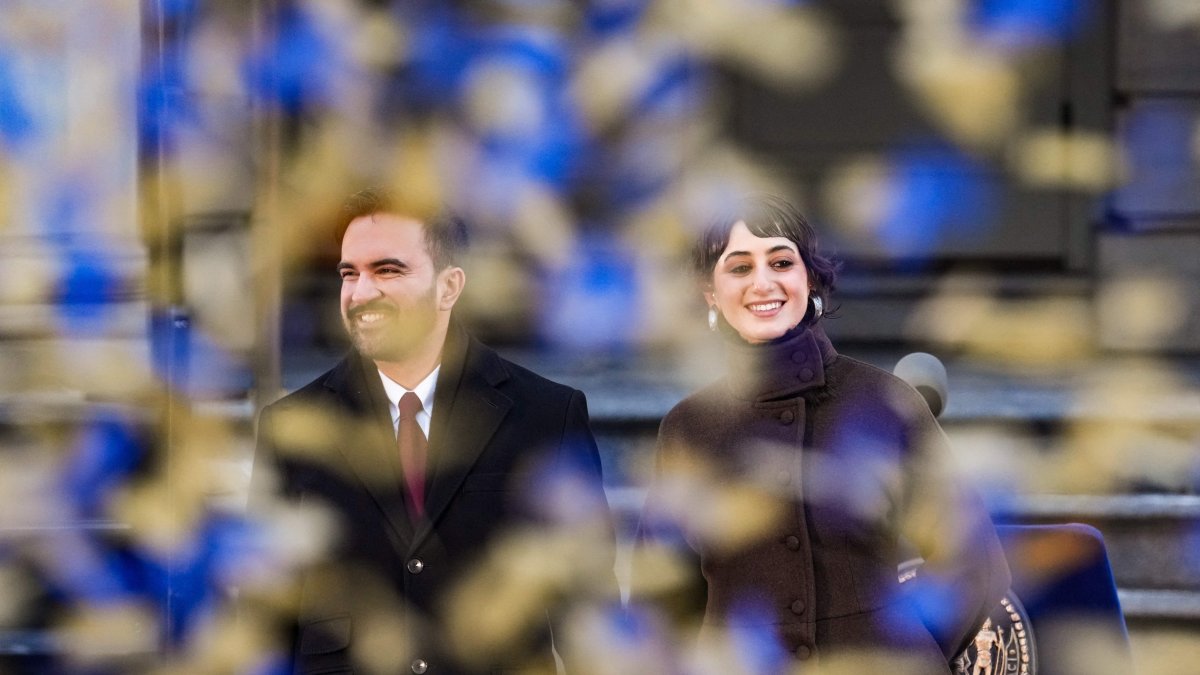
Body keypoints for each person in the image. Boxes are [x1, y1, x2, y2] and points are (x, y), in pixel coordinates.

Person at [633, 195, 1011, 672]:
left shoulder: (885, 401)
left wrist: (911, 653)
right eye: (740, 268)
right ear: (710, 291)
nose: (763, 282)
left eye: (781, 261)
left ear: (808, 277)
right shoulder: (689, 425)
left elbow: (975, 565)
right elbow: (661, 591)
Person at [249, 189, 615, 674]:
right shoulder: (289, 427)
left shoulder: (548, 415)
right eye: (348, 274)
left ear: (449, 287)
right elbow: (264, 615)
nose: (360, 294)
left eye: (388, 270)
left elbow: (589, 606)